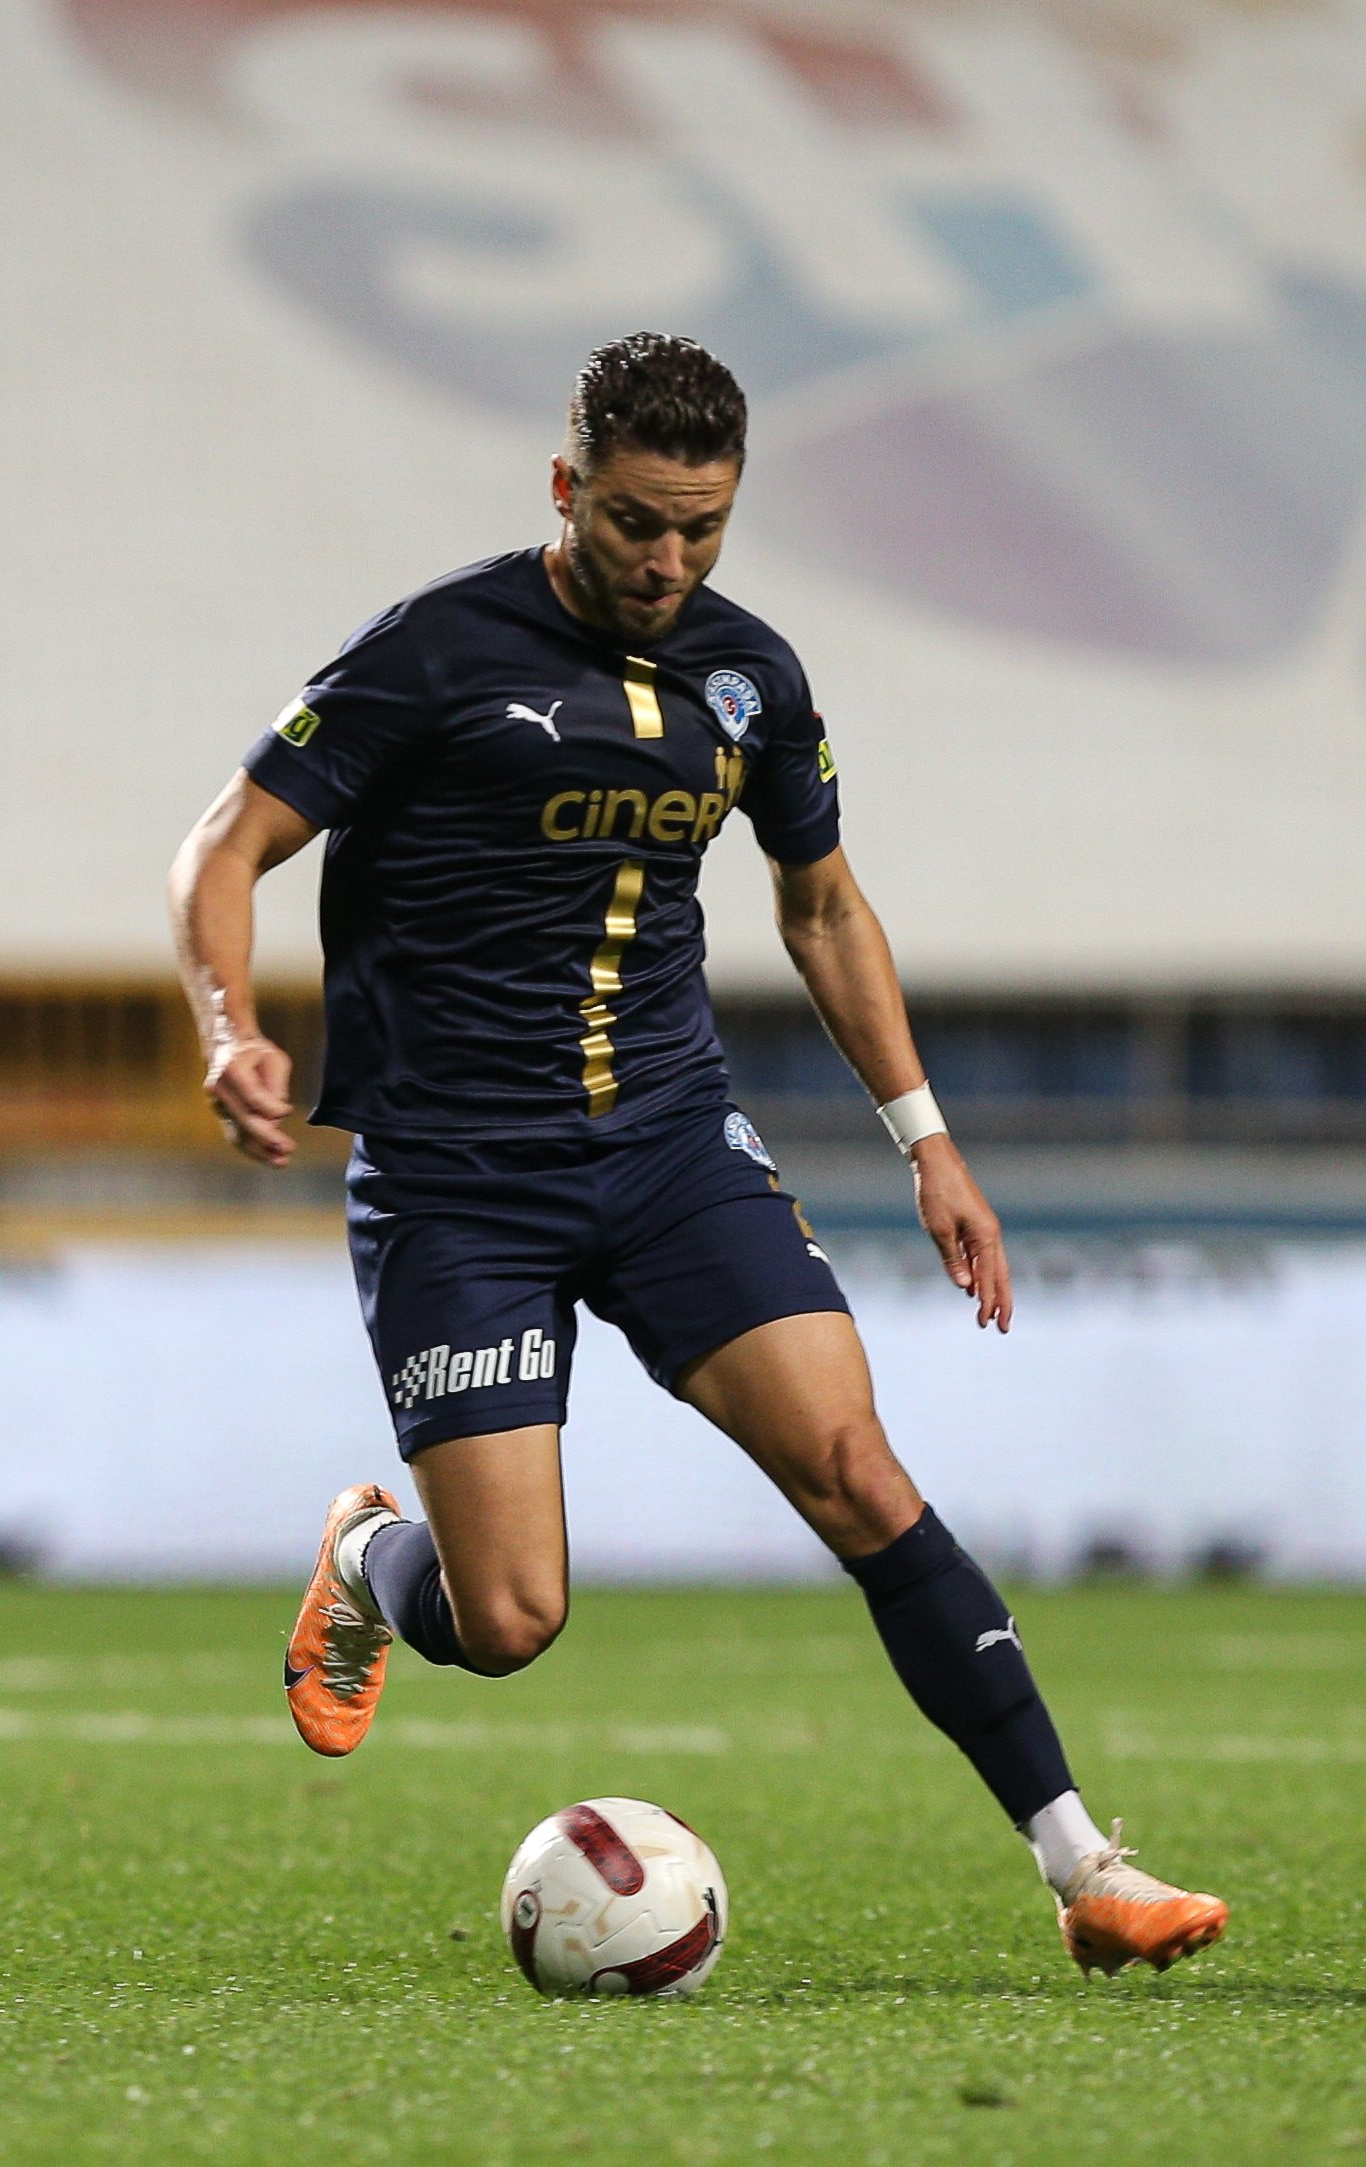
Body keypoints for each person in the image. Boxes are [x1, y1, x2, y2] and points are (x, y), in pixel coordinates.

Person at [168, 332, 1227, 1979]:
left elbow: (823, 906)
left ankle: (1086, 1867)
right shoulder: (434, 652)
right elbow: (225, 846)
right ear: (565, 488)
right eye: (635, 523)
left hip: (669, 1148)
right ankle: (373, 1555)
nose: (668, 561)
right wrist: (229, 1028)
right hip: (460, 1180)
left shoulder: (751, 680)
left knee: (858, 1474)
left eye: (702, 528)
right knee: (509, 1620)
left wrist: (927, 1142)